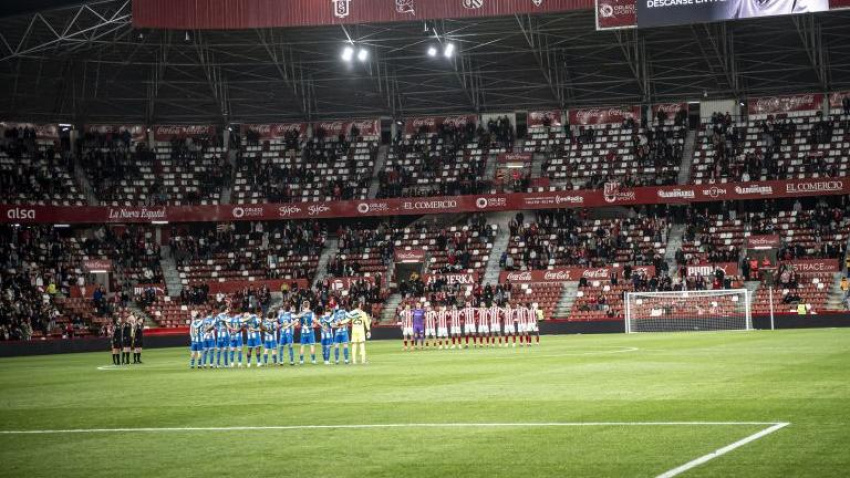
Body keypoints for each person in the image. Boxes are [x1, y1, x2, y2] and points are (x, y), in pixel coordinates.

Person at [347, 300, 372, 365]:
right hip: (361, 331)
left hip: (354, 330)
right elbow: (366, 322)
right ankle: (363, 361)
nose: (361, 305)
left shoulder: (352, 313)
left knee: (354, 345)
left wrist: (340, 323)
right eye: (360, 304)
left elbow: (347, 320)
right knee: (362, 345)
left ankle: (354, 361)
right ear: (359, 305)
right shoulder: (363, 313)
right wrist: (368, 330)